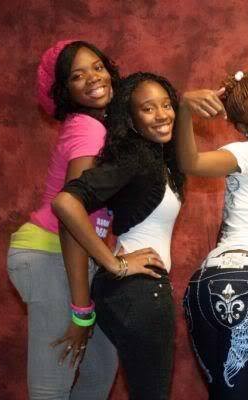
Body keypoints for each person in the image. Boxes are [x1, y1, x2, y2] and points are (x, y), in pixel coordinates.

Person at [52, 72, 186, 399]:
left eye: (167, 105)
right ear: (131, 119)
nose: (162, 114)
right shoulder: (136, 159)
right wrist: (115, 264)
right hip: (140, 291)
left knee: (100, 387)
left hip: (128, 293)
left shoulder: (157, 160)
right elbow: (65, 202)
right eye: (148, 109)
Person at [7, 40, 119, 399]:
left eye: (97, 67)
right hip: (50, 253)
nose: (93, 78)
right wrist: (82, 311)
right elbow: (71, 210)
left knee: (99, 369)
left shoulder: (100, 126)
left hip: (71, 258)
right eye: (76, 75)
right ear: (64, 89)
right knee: (51, 385)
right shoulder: (89, 129)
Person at [178, 71, 248, 399]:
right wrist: (184, 110)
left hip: (207, 283)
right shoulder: (247, 153)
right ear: (244, 129)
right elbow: (191, 162)